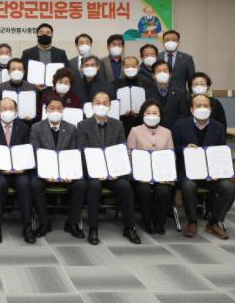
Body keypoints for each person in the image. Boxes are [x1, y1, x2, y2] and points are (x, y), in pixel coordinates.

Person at [77, 91, 141, 245]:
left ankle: (129, 227)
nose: (101, 106)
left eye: (105, 103)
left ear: (110, 106)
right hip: (94, 174)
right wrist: (94, 173)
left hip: (113, 174)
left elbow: (121, 151)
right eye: (98, 103)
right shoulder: (83, 125)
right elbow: (82, 153)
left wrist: (117, 171)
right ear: (92, 105)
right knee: (94, 186)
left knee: (125, 186)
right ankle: (93, 228)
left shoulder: (117, 124)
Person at [173, 94, 235, 239]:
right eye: (198, 106)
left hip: (211, 175)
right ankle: (192, 221)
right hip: (187, 173)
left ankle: (213, 222)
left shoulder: (218, 127)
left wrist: (218, 172)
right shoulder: (180, 125)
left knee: (229, 188)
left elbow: (221, 152)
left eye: (205, 106)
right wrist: (184, 149)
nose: (202, 108)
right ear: (191, 109)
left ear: (210, 109)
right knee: (188, 186)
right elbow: (173, 149)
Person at [29, 96, 87, 239]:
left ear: (63, 110)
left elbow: (74, 154)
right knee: (35, 184)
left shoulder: (71, 128)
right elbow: (35, 153)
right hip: (45, 172)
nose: (56, 111)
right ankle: (44, 222)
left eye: (59, 109)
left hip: (66, 173)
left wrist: (69, 173)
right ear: (45, 110)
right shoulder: (36, 127)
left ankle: (72, 223)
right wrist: (46, 173)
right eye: (52, 108)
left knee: (81, 184)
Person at [0, 97, 36, 244]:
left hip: (19, 170)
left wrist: (22, 167)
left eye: (11, 109)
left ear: (16, 111)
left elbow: (28, 151)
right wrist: (0, 167)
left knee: (24, 183)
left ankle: (27, 226)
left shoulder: (24, 127)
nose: (8, 111)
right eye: (4, 109)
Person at [127, 100, 174, 235]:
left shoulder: (167, 132)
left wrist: (167, 176)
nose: (151, 115)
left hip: (161, 175)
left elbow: (171, 156)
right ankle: (147, 222)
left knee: (164, 191)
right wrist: (138, 175)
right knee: (144, 191)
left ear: (160, 115)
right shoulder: (135, 131)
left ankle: (160, 222)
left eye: (155, 113)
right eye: (148, 113)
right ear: (143, 114)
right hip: (141, 176)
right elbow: (129, 155)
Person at [20, 23, 69, 92]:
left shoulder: (61, 53)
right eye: (41, 33)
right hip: (33, 91)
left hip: (55, 92)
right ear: (37, 35)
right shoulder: (27, 53)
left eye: (48, 33)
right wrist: (33, 86)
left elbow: (67, 72)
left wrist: (60, 84)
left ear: (52, 36)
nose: (44, 35)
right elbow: (22, 73)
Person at [144, 60, 188, 129]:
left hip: (175, 131)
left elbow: (183, 115)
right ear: (153, 75)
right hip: (153, 130)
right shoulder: (146, 93)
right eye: (159, 71)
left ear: (170, 74)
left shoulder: (180, 93)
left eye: (165, 71)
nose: (162, 73)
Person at [114, 56, 149, 137]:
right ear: (123, 68)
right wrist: (121, 112)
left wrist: (140, 112)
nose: (130, 69)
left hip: (141, 123)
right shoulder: (115, 84)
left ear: (138, 67)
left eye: (133, 66)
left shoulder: (147, 84)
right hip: (122, 124)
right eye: (127, 66)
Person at [0, 58, 37, 124]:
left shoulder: (32, 88)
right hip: (5, 123)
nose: (17, 72)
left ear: (24, 71)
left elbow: (36, 109)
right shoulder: (0, 88)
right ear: (8, 72)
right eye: (13, 69)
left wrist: (31, 118)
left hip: (26, 124)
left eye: (20, 69)